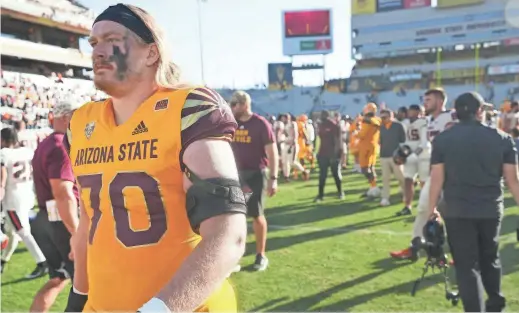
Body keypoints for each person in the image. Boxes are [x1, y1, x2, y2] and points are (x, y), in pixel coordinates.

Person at [65, 4, 246, 312]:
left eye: (112, 39)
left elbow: (228, 234)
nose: (97, 51)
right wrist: (78, 298)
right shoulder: (82, 122)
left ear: (150, 53)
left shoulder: (188, 109)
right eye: (93, 42)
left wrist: (158, 310)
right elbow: (89, 223)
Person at [428, 92, 509, 312]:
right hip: (490, 207)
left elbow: (437, 180)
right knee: (490, 257)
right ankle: (495, 302)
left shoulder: (443, 139)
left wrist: (431, 210)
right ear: (480, 111)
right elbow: (514, 180)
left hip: (457, 209)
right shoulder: (501, 138)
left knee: (466, 266)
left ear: (455, 113)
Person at [390, 88, 457, 260]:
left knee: (456, 214)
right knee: (422, 209)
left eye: (428, 100)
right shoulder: (427, 120)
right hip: (436, 172)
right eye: (424, 99)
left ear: (440, 101)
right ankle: (415, 247)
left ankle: (461, 253)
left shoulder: (453, 116)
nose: (424, 103)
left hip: (455, 173)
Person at [30, 101, 80, 313]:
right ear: (65, 117)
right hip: (61, 221)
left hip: (45, 218)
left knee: (59, 278)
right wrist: (76, 233)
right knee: (86, 284)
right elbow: (62, 192)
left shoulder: (47, 143)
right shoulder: (61, 144)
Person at [230, 90, 278, 271]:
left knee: (256, 214)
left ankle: (261, 255)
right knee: (236, 215)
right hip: (236, 175)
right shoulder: (231, 123)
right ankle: (235, 257)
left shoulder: (260, 124)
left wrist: (274, 178)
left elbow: (272, 153)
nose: (232, 107)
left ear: (244, 105)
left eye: (235, 104)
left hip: (255, 175)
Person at [0, 128, 48, 278]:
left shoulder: (4, 154)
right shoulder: (27, 152)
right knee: (13, 231)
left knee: (22, 232)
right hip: (27, 196)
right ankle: (3, 261)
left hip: (13, 200)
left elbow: (2, 179)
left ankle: (42, 262)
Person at [399, 104, 430, 216]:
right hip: (410, 155)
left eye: (415, 111)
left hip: (423, 155)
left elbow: (424, 143)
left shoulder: (424, 122)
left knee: (424, 182)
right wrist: (401, 151)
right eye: (411, 111)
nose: (412, 113)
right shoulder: (405, 123)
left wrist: (414, 154)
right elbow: (404, 140)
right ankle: (407, 206)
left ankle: (427, 206)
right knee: (408, 180)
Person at [378, 109, 406, 207]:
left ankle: (406, 193)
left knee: (400, 177)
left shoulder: (398, 126)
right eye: (381, 118)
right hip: (384, 155)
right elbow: (380, 141)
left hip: (396, 155)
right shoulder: (381, 127)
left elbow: (403, 141)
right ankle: (385, 198)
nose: (382, 120)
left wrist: (402, 155)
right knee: (385, 178)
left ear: (391, 116)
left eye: (384, 117)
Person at [315, 110, 343, 202]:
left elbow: (338, 141)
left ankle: (340, 192)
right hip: (322, 153)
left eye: (323, 115)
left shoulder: (333, 125)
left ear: (326, 116)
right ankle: (320, 195)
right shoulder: (321, 125)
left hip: (332, 154)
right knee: (322, 175)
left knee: (336, 174)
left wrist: (335, 155)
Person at [357, 103, 382, 198]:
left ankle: (374, 188)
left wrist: (357, 131)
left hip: (366, 146)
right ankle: (373, 187)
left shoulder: (367, 120)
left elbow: (362, 134)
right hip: (374, 146)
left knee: (365, 169)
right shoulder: (377, 119)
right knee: (371, 168)